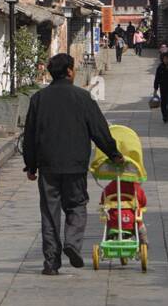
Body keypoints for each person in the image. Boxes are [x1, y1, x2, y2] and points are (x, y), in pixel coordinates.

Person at [22, 53, 123, 275]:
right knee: (77, 206)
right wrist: (113, 153)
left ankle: (50, 263)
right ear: (69, 71)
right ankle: (72, 244)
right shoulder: (83, 97)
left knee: (50, 213)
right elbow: (99, 130)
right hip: (75, 166)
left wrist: (30, 165)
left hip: (48, 166)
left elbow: (29, 135)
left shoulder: (39, 98)